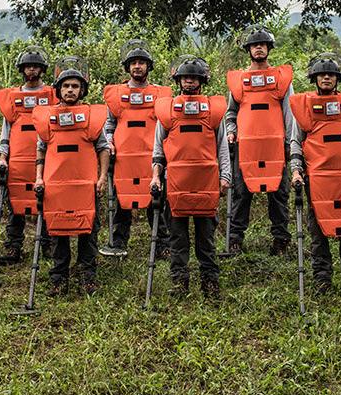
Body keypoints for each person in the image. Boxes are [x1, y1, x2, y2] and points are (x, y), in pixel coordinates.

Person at [290, 53, 341, 298]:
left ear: (337, 79)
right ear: (314, 78)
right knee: (318, 233)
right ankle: (322, 281)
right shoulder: (304, 108)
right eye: (322, 74)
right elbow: (296, 142)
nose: (326, 77)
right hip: (317, 180)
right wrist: (296, 170)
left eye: (331, 74)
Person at [151, 56, 230, 300]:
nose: (189, 81)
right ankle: (179, 281)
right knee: (178, 236)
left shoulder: (214, 110)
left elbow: (222, 146)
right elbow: (158, 150)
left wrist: (225, 176)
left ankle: (210, 281)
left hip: (207, 183)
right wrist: (155, 177)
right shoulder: (167, 110)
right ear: (178, 80)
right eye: (185, 77)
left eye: (194, 77)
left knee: (206, 237)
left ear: (202, 80)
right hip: (175, 184)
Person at [33, 59, 111, 296]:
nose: (70, 90)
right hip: (55, 186)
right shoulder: (47, 117)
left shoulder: (92, 116)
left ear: (82, 90)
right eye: (66, 86)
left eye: (75, 86)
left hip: (86, 185)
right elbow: (41, 148)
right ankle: (59, 279)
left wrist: (102, 177)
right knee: (58, 233)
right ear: (58, 89)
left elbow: (104, 148)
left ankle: (88, 278)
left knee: (88, 232)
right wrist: (39, 177)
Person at [225, 27, 296, 256]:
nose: (258, 48)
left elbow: (290, 113)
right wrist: (231, 131)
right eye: (254, 45)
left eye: (263, 44)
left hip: (276, 146)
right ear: (248, 50)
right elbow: (230, 113)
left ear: (268, 49)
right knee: (241, 193)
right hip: (246, 146)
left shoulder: (281, 80)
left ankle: (281, 240)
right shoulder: (239, 80)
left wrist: (290, 142)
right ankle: (235, 240)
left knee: (279, 193)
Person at [101, 40, 172, 256]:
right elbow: (109, 124)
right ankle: (119, 243)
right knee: (121, 200)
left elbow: (166, 124)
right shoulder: (115, 94)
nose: (137, 66)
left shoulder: (161, 94)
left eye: (142, 62)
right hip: (123, 157)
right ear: (127, 67)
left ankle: (162, 245)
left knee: (156, 199)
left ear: (148, 66)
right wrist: (109, 141)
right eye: (133, 63)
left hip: (152, 157)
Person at [0, 48, 55, 265]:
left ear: (42, 70)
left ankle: (48, 245)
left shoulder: (51, 95)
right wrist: (3, 157)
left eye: (36, 66)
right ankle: (13, 247)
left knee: (47, 202)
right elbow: (6, 131)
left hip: (46, 159)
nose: (32, 69)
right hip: (17, 160)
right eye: (28, 66)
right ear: (22, 69)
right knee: (16, 206)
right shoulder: (12, 97)